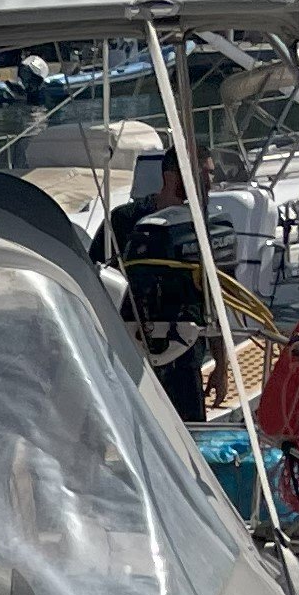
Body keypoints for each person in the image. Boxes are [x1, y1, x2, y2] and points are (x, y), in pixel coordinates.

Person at [102, 147, 220, 425]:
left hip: (187, 360)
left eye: (211, 175)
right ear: (171, 176)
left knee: (189, 433)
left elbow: (214, 298)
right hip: (132, 353)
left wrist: (221, 365)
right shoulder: (124, 220)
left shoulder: (202, 226)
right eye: (203, 174)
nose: (210, 182)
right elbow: (98, 278)